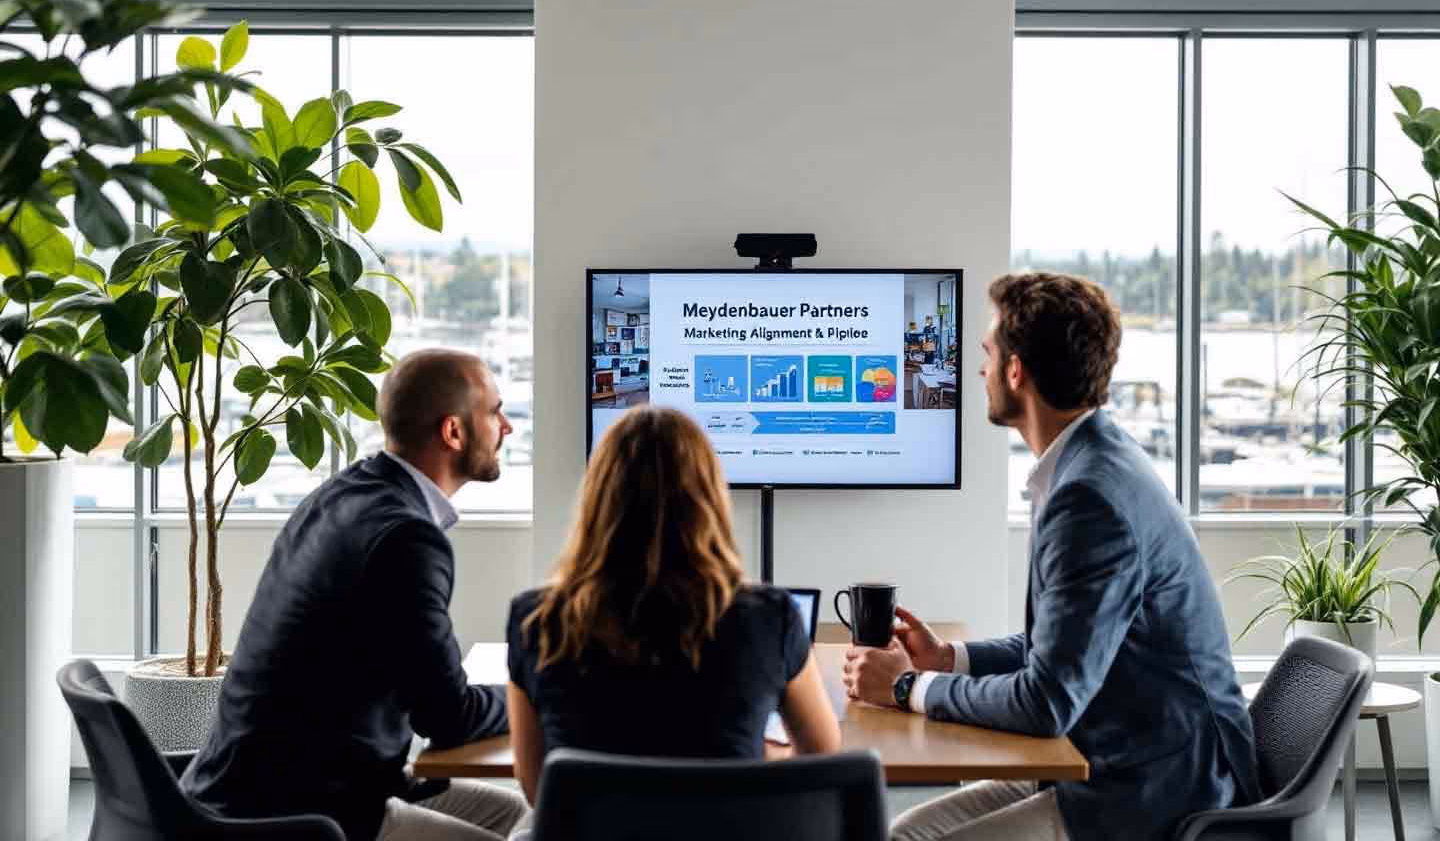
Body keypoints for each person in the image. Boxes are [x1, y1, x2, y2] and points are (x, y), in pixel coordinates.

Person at [844, 273, 1260, 841]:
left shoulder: (1089, 498)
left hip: (1150, 791)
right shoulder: (1091, 460)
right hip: (1108, 756)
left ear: (1017, 372)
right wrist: (946, 658)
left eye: (988, 355)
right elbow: (1063, 649)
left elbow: (1046, 702)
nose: (981, 370)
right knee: (907, 830)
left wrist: (904, 687)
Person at [182, 349, 530, 841]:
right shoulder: (406, 539)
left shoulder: (344, 494)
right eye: (495, 412)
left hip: (259, 787)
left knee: (533, 817)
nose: (507, 427)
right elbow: (448, 718)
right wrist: (531, 690)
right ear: (452, 432)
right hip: (302, 815)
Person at [505, 405, 841, 824]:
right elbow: (821, 761)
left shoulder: (535, 618)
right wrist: (755, 757)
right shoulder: (769, 618)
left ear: (597, 496)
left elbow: (539, 789)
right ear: (710, 496)